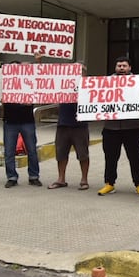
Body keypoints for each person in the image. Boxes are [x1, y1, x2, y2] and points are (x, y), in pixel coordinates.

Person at [97, 57, 139, 197]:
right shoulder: (107, 82)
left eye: (124, 66)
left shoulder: (138, 82)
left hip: (132, 128)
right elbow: (96, 98)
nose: (121, 68)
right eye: (119, 65)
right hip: (111, 128)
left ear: (129, 68)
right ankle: (109, 183)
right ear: (115, 68)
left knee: (135, 157)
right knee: (110, 157)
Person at [0, 46, 43, 188]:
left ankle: (34, 176)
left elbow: (39, 75)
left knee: (32, 150)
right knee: (9, 151)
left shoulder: (28, 81)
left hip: (27, 121)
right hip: (10, 122)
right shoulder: (3, 83)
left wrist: (38, 61)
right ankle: (11, 177)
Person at [49, 63, 90, 191]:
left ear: (84, 74)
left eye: (79, 71)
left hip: (80, 125)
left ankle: (84, 179)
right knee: (61, 153)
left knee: (83, 154)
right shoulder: (62, 84)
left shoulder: (89, 86)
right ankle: (61, 179)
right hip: (63, 123)